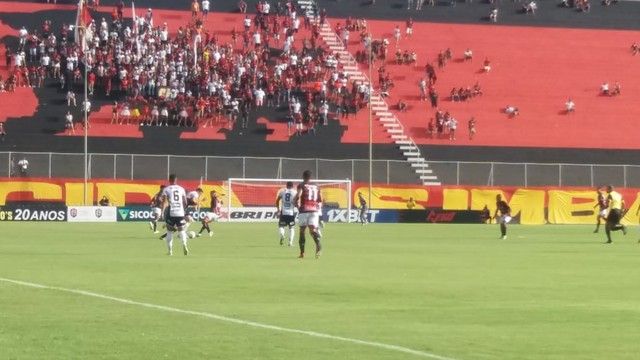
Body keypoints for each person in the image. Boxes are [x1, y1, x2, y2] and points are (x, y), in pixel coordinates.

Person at [295, 170, 323, 259]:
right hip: (314, 210)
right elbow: (320, 199)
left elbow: (298, 196)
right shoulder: (317, 186)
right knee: (312, 230)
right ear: (310, 177)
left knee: (302, 231)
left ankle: (302, 253)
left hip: (304, 210)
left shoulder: (301, 185)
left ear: (303, 176)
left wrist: (295, 202)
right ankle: (318, 243)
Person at [161, 174, 190, 255]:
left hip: (171, 212)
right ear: (176, 180)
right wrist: (184, 211)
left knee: (169, 231)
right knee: (181, 230)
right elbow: (185, 202)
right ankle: (184, 244)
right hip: (180, 212)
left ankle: (170, 251)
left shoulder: (166, 189)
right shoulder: (181, 189)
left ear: (169, 180)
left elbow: (164, 202)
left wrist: (162, 212)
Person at [276, 181, 297, 246]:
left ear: (286, 185)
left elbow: (277, 200)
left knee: (281, 226)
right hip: (291, 213)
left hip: (283, 213)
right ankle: (290, 242)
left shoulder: (282, 191)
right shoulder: (295, 192)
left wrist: (278, 210)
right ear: (292, 186)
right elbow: (297, 202)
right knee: (291, 228)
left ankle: (282, 234)